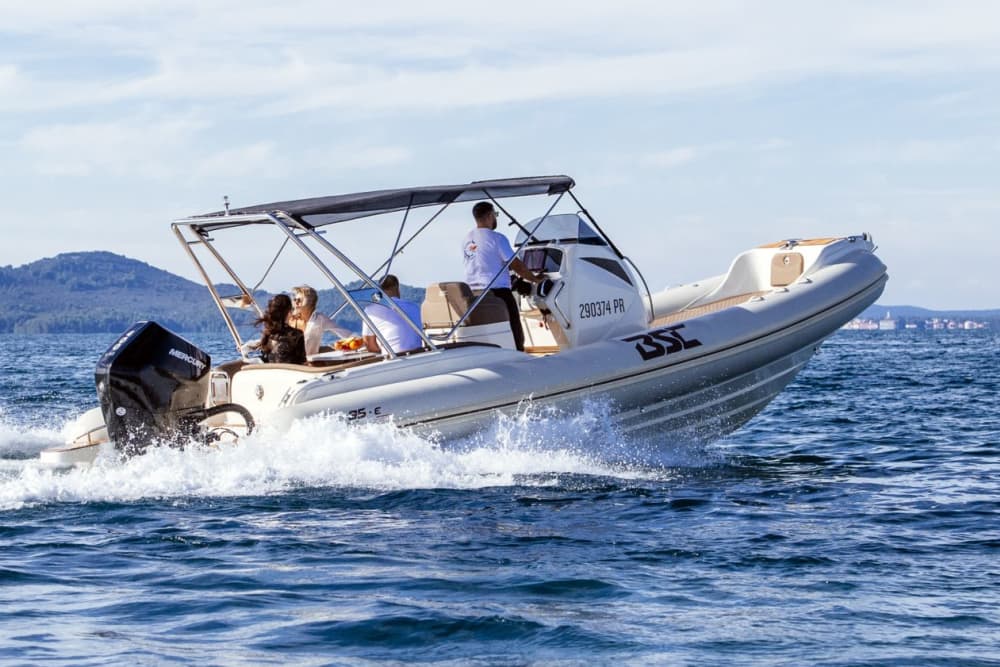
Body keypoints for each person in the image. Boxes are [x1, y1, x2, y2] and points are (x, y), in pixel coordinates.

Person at [462, 201, 541, 351]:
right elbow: (516, 265)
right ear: (489, 215)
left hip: (473, 294)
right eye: (495, 214)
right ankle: (519, 357)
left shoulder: (466, 239)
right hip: (497, 293)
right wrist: (535, 279)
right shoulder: (497, 238)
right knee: (515, 331)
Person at [362, 274, 424, 354]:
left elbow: (370, 345)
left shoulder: (371, 310)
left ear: (379, 290)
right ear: (397, 288)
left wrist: (383, 352)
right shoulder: (414, 307)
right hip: (418, 353)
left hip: (394, 358)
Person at [289, 285, 354, 360]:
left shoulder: (320, 319)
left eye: (300, 300)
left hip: (310, 365)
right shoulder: (290, 320)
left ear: (311, 302)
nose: (296, 302)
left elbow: (344, 333)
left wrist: (362, 343)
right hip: (292, 365)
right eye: (295, 299)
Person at [253, 294, 306, 364]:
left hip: (271, 373)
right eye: (292, 309)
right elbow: (302, 362)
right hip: (290, 373)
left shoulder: (268, 334)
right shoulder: (297, 335)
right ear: (289, 311)